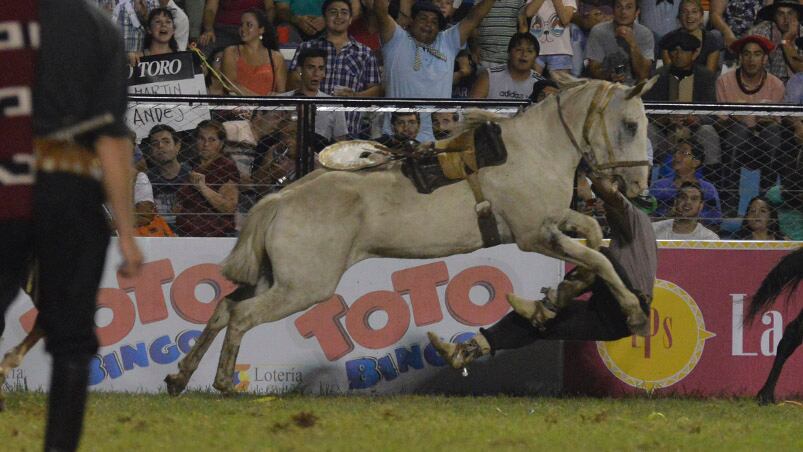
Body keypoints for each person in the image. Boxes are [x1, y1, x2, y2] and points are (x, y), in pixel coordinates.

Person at [0, 1, 143, 449]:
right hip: (71, 189)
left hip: (6, 180)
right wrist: (127, 234)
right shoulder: (98, 29)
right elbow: (111, 137)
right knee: (73, 340)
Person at [428, 172, 657, 368]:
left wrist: (591, 165)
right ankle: (464, 352)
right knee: (536, 322)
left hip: (631, 305)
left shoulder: (635, 217)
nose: (601, 205)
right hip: (615, 320)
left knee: (598, 259)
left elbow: (608, 192)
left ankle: (550, 305)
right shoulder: (635, 234)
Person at [369, 0, 498, 140]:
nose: (428, 24)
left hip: (439, 137)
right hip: (396, 137)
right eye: (423, 18)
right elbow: (380, 9)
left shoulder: (448, 41)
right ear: (411, 21)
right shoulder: (396, 38)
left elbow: (474, 17)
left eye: (434, 22)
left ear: (439, 28)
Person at [288, 0, 381, 137]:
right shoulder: (307, 48)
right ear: (324, 17)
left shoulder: (365, 53)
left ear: (350, 20)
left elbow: (377, 89)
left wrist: (356, 96)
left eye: (344, 12)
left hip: (349, 128)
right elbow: (292, 82)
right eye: (333, 12)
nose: (339, 16)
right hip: (310, 129)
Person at [715, 35, 786, 194]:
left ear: (765, 59)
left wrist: (765, 121)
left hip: (765, 142)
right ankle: (730, 199)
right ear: (740, 57)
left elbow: (778, 123)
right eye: (746, 54)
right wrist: (736, 120)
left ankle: (765, 199)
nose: (751, 59)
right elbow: (721, 121)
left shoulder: (777, 85)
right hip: (735, 141)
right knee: (738, 130)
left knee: (773, 132)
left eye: (757, 54)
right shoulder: (724, 81)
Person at [175, 120, 240, 237]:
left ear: (221, 144)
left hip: (216, 234)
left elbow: (229, 207)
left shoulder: (227, 167)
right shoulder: (189, 165)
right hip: (185, 232)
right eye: (201, 139)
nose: (206, 144)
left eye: (212, 140)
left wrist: (202, 188)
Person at [280, 48, 350, 146]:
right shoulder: (281, 100)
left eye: (321, 68)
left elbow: (341, 143)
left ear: (324, 73)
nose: (316, 73)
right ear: (300, 70)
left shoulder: (334, 104)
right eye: (311, 67)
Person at [649, 137, 723, 225]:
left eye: (683, 153)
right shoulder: (660, 185)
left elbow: (715, 220)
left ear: (696, 162)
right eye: (675, 152)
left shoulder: (707, 188)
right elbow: (648, 216)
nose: (676, 155)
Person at [585, 0, 654, 84]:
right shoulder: (598, 31)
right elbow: (594, 69)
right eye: (618, 7)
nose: (623, 11)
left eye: (629, 7)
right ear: (613, 11)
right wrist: (609, 75)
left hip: (634, 91)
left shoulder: (645, 34)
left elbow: (643, 74)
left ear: (637, 12)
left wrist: (633, 44)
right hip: (604, 88)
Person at [222, 8, 287, 96]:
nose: (243, 29)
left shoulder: (276, 58)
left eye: (249, 25)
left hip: (267, 109)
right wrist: (260, 100)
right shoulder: (231, 52)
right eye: (241, 25)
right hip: (238, 108)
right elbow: (230, 85)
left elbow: (281, 93)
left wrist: (274, 97)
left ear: (261, 30)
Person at [470, 33, 546, 99]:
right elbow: (472, 110)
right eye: (519, 50)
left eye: (529, 51)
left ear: (536, 57)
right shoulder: (489, 76)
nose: (524, 54)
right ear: (509, 53)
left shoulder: (541, 84)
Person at [144, 125, 191, 231]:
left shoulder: (191, 175)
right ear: (151, 150)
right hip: (155, 232)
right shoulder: (146, 179)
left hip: (187, 233)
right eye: (155, 143)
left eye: (166, 141)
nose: (160, 146)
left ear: (177, 146)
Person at [659, 0, 724, 73]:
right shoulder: (668, 40)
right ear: (679, 17)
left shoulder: (712, 40)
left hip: (703, 82)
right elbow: (669, 74)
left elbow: (708, 76)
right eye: (684, 12)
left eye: (694, 12)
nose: (689, 16)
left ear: (702, 16)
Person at [749, 1, 803, 83]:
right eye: (780, 14)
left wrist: (786, 41)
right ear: (774, 16)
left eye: (790, 13)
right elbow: (756, 70)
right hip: (769, 85)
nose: (786, 19)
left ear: (797, 16)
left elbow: (800, 70)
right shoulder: (761, 32)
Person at [113, 0, 190, 57]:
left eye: (168, 22)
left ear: (174, 29)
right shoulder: (138, 59)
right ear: (149, 29)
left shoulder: (183, 59)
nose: (164, 25)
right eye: (158, 21)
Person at [199, 0, 275, 56]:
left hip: (252, 29)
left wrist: (265, 28)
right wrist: (208, 29)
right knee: (204, 47)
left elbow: (270, 8)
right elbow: (210, 9)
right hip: (223, 30)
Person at [521, 0, 577, 76]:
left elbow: (565, 19)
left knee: (559, 86)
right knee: (532, 85)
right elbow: (528, 13)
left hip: (560, 50)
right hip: (536, 49)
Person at [652, 181, 720, 239]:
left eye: (694, 199)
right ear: (675, 202)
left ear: (701, 206)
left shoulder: (709, 238)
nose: (688, 202)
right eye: (683, 197)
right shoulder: (654, 229)